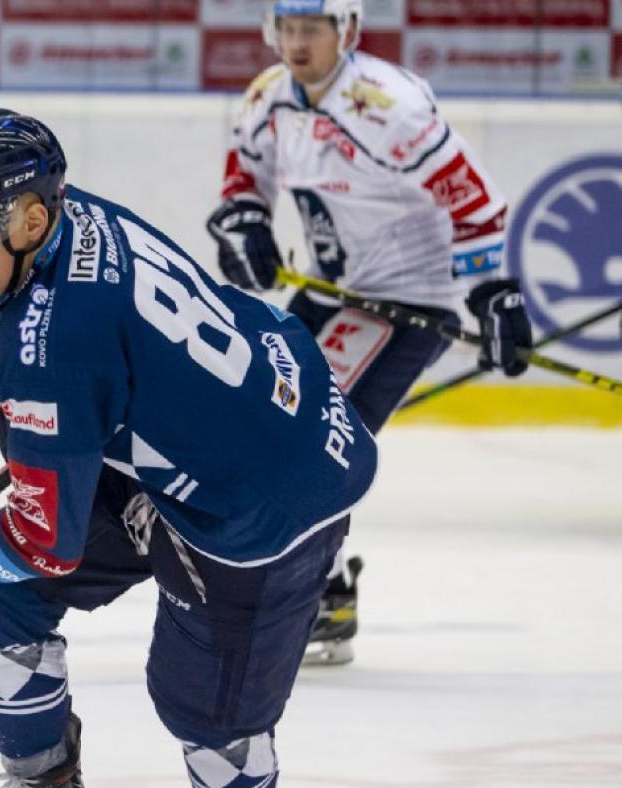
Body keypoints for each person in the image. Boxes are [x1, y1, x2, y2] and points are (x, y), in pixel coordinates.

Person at [0, 109, 379, 787]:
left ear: (30, 221)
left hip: (268, 499)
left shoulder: (48, 348)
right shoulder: (74, 213)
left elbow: (42, 539)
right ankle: (43, 779)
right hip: (251, 424)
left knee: (212, 725)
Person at [205, 0, 533, 664]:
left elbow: (474, 201)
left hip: (410, 298)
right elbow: (246, 175)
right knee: (251, 412)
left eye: (312, 30)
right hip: (333, 288)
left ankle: (319, 597)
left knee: (314, 440)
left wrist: (493, 293)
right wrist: (245, 222)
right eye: (287, 29)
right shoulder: (267, 96)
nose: (297, 42)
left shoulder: (390, 107)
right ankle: (312, 586)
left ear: (346, 30)